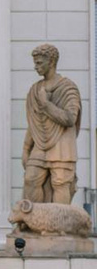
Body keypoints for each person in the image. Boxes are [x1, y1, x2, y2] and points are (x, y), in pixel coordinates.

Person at [23, 43, 82, 204]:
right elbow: (33, 123)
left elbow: (70, 119)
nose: (36, 67)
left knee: (60, 183)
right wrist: (26, 148)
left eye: (39, 63)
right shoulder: (35, 89)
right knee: (30, 179)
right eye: (35, 63)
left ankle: (58, 224)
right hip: (40, 145)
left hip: (62, 144)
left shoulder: (68, 88)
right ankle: (33, 221)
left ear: (51, 61)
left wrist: (46, 105)